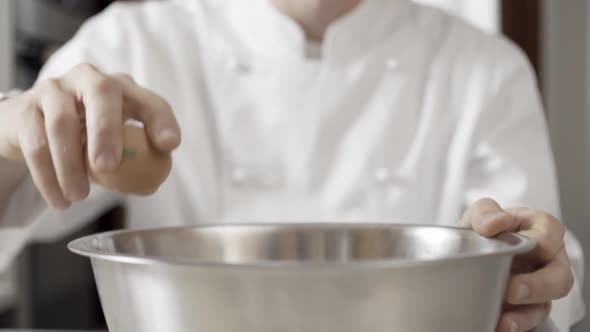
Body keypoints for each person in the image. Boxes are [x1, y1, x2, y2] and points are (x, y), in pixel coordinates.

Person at [0, 0, 584, 331]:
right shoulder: (135, 38)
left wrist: (526, 274)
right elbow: (20, 192)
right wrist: (8, 138)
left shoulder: (484, 68)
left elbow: (536, 268)